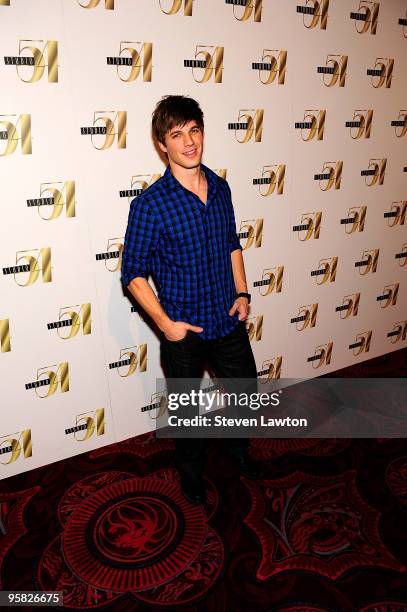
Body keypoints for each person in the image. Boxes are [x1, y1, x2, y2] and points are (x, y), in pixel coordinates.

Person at [121, 95, 263, 504]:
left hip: (226, 319)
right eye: (177, 134)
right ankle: (192, 475)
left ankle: (238, 452)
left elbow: (233, 244)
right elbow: (132, 272)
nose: (189, 142)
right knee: (187, 413)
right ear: (162, 145)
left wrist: (242, 292)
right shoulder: (150, 205)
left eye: (194, 130)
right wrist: (167, 326)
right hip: (183, 330)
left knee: (245, 395)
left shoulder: (220, 188)